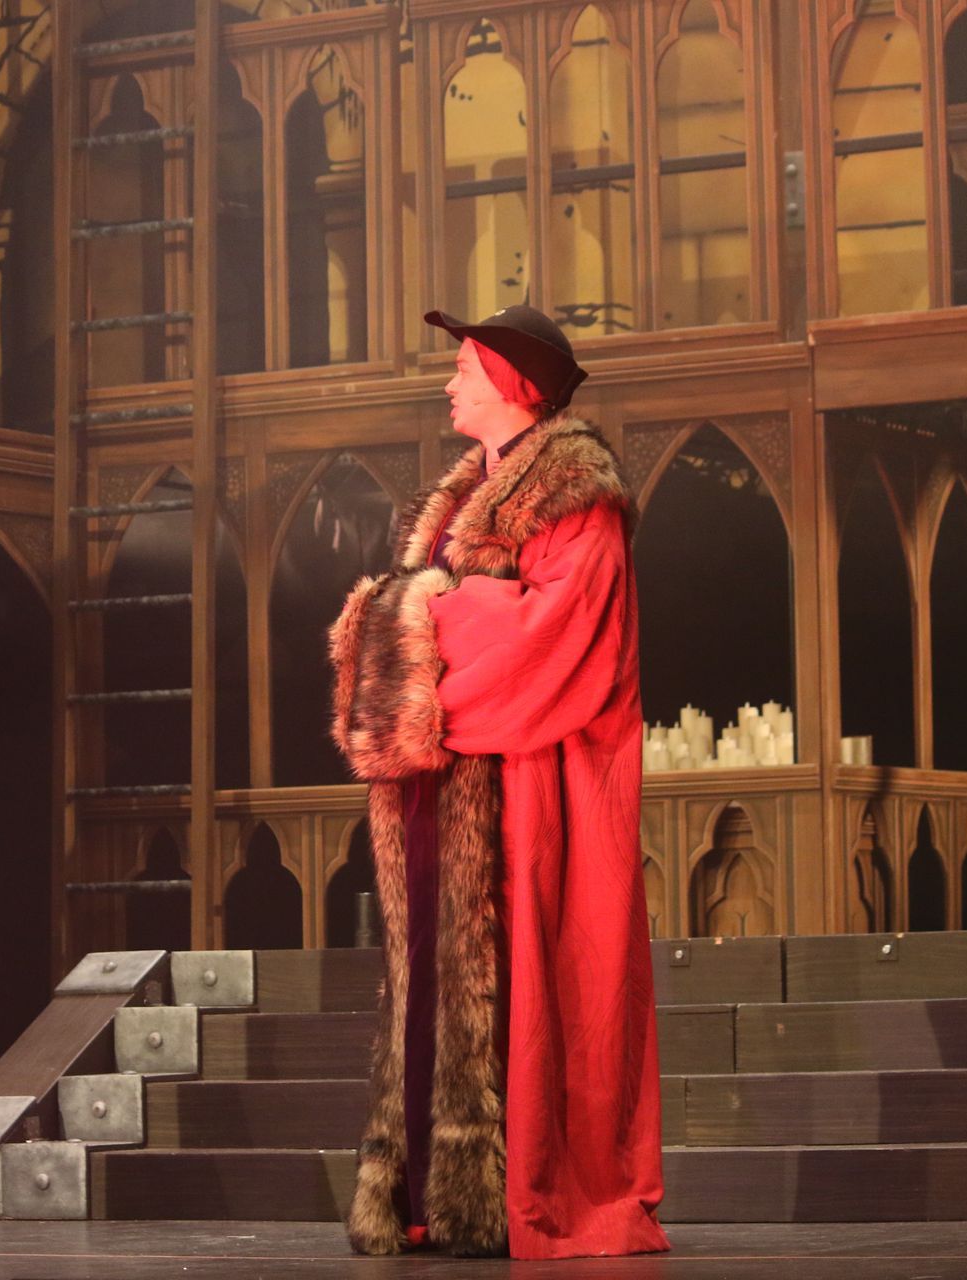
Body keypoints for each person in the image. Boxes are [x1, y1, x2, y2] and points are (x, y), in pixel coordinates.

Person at [329, 306, 668, 1260]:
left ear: (515, 386)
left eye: (464, 370)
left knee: (524, 988)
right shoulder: (456, 500)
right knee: (431, 987)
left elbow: (550, 640)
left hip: (532, 795)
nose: (448, 384)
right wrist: (428, 615)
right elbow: (461, 620)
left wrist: (418, 615)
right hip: (446, 789)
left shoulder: (573, 500)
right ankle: (434, 1195)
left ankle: (516, 1192)